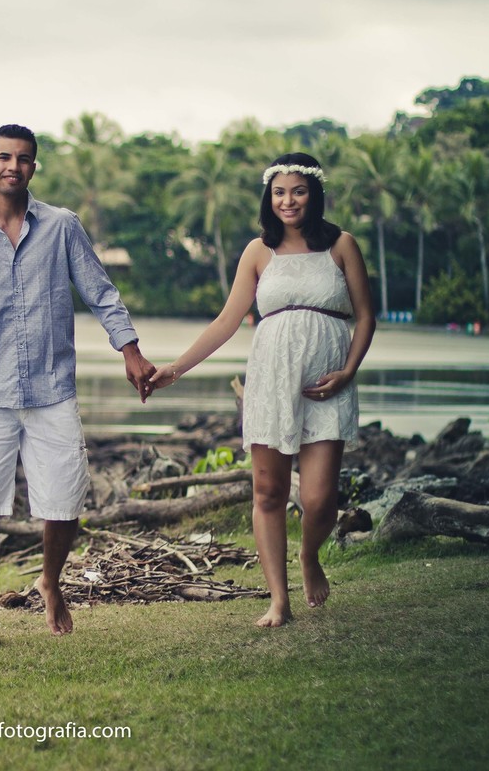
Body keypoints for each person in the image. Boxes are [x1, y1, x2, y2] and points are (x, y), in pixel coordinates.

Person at [0, 123, 156, 648]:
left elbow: (101, 292)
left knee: (64, 503)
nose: (13, 167)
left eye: (23, 159)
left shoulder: (62, 226)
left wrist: (130, 351)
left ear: (33, 167)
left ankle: (49, 580)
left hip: (52, 388)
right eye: (4, 157)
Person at [149, 152, 375, 628]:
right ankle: (278, 600)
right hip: (271, 381)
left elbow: (366, 317)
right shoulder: (258, 251)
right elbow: (227, 321)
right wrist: (176, 369)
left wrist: (349, 371)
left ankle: (309, 556)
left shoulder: (341, 245)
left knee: (320, 500)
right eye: (279, 192)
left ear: (314, 194)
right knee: (269, 491)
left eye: (298, 191)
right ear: (268, 197)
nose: (288, 201)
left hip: (327, 383)